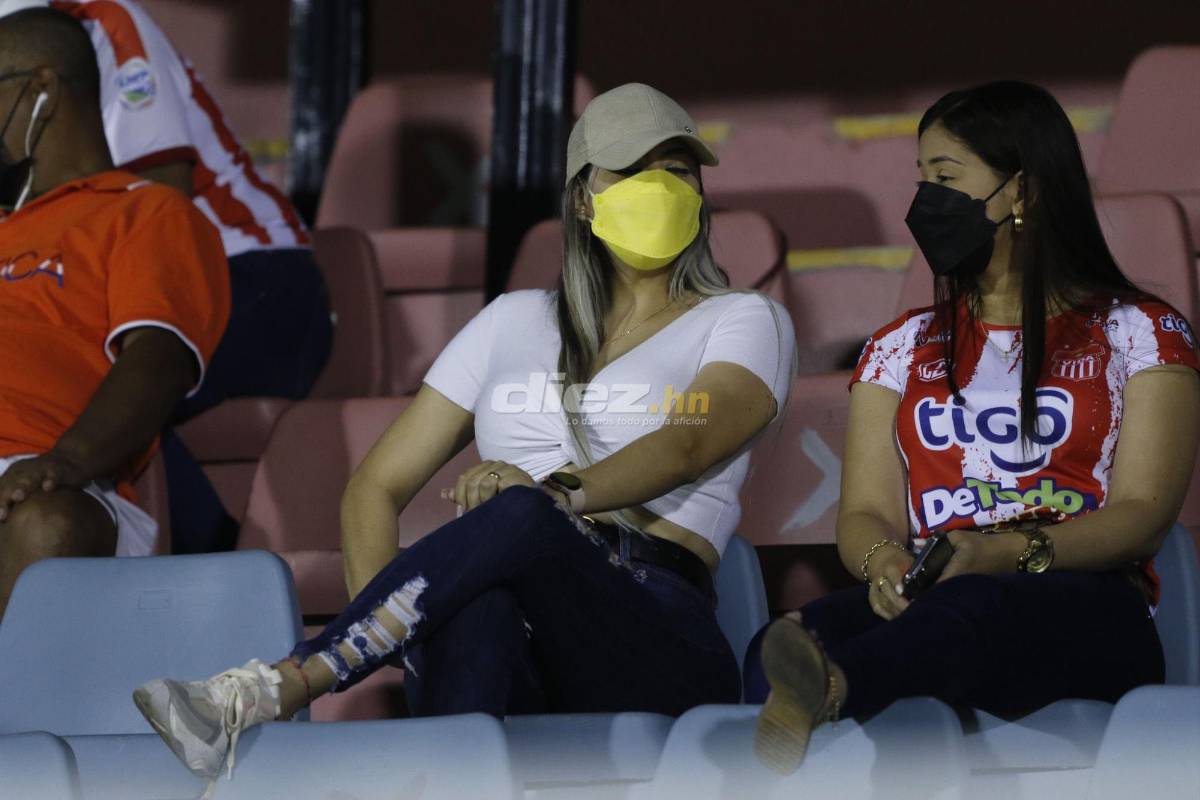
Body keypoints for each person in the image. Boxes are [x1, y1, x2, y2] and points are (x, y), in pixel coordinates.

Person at [132, 82, 796, 787]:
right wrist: (398, 632)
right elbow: (375, 487)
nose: (661, 189)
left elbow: (688, 443)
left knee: (519, 516)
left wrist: (552, 497)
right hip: (503, 622)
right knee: (477, 604)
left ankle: (287, 681)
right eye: (634, 171)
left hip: (653, 628)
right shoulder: (511, 321)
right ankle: (379, 669)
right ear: (581, 198)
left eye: (679, 171)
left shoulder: (743, 319)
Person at [744, 80, 1200, 775]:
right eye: (920, 178)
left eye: (946, 178)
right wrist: (886, 563)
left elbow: (1142, 519)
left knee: (970, 610)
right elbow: (865, 511)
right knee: (798, 635)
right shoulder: (899, 347)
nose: (926, 201)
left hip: (1088, 608)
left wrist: (1006, 553)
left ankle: (837, 688)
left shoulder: (1141, 331)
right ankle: (811, 705)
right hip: (937, 598)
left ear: (1021, 193)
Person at [0, 0, 333, 553]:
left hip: (254, 266)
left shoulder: (100, 19)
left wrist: (63, 463)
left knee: (136, 384)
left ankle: (209, 566)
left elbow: (156, 198)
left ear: (40, 91)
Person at [0, 8, 229, 618]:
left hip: (39, 471)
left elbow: (158, 359)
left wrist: (62, 463)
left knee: (49, 524)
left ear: (41, 90)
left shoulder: (146, 213)